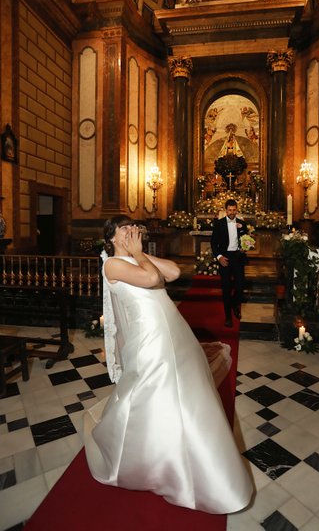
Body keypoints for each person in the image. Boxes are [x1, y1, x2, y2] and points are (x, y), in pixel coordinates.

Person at [84, 215, 252, 514]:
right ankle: (153, 460)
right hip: (150, 337)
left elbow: (173, 272)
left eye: (134, 228)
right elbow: (150, 280)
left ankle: (187, 456)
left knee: (187, 393)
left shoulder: (138, 257)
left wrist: (141, 252)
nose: (132, 232)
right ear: (111, 237)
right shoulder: (112, 264)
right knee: (157, 389)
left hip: (174, 332)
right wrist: (136, 253)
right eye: (125, 229)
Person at [211, 199, 248, 327]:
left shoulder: (242, 224)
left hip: (238, 257)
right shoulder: (219, 224)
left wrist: (245, 247)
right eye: (229, 210)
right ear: (225, 210)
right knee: (226, 288)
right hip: (225, 258)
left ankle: (234, 305)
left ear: (237, 210)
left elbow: (246, 240)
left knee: (240, 286)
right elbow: (213, 243)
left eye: (234, 210)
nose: (232, 212)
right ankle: (228, 316)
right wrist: (219, 257)